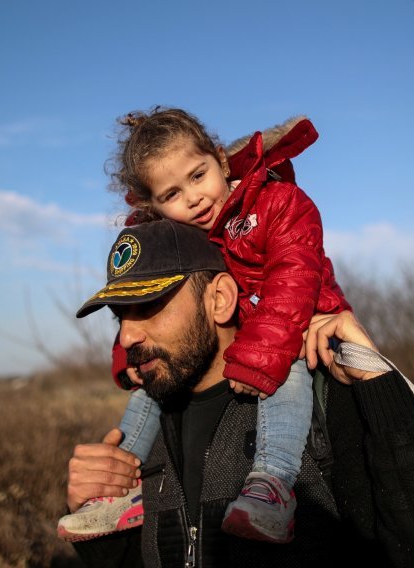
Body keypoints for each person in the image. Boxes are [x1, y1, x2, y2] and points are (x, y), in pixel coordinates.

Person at [63, 220, 414, 567]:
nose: (126, 338)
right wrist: (99, 517)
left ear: (219, 300)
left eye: (147, 307)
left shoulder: (318, 396)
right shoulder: (148, 428)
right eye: (119, 316)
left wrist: (380, 389)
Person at [58, 108, 351, 544]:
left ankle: (272, 485)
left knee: (284, 376)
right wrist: (130, 358)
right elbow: (149, 314)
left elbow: (294, 276)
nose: (193, 198)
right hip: (251, 335)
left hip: (297, 325)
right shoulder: (189, 238)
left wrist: (259, 354)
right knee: (148, 388)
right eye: (172, 193)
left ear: (220, 159)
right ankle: (122, 493)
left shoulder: (274, 202)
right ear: (152, 207)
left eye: (198, 175)